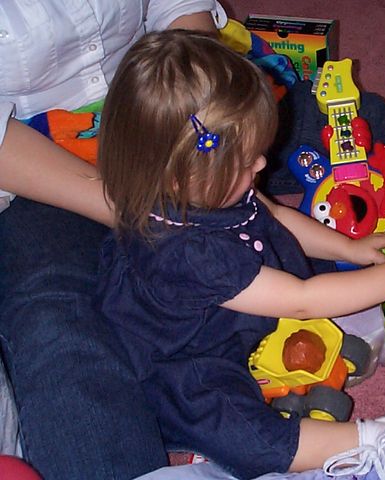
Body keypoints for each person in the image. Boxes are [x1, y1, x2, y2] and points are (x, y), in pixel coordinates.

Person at [95, 29, 385, 480]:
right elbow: (301, 299)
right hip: (191, 356)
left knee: (293, 253)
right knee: (245, 438)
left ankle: (344, 319)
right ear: (178, 177)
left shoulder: (207, 190)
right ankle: (381, 436)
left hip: (241, 301)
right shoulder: (187, 253)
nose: (263, 165)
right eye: (247, 161)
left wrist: (347, 246)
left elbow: (278, 217)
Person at [0, 2, 231, 479]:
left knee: (334, 127)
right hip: (30, 167)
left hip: (155, 106)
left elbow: (177, 9)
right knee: (57, 311)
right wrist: (140, 206)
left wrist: (202, 105)